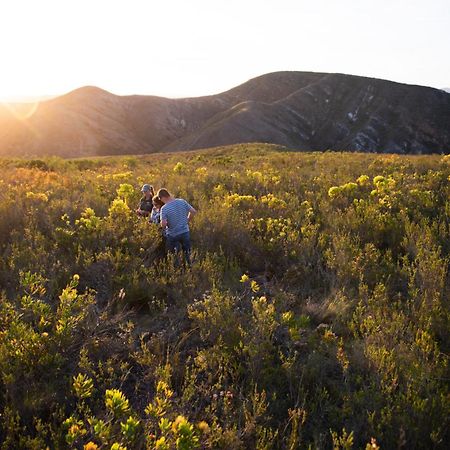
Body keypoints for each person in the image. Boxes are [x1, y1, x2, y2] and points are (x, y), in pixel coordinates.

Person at [157, 188, 196, 265]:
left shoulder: (164, 208)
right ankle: (189, 268)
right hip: (185, 231)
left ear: (162, 197)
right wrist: (187, 220)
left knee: (172, 254)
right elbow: (193, 211)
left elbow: (163, 224)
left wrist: (163, 227)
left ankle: (176, 270)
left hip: (173, 234)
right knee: (187, 253)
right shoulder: (181, 201)